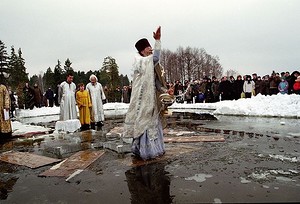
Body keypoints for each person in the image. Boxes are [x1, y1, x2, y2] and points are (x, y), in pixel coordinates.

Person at [123, 26, 171, 160]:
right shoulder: (140, 61)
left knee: (153, 123)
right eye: (148, 48)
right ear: (142, 51)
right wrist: (158, 40)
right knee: (143, 123)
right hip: (141, 100)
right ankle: (142, 150)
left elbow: (156, 82)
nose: (151, 49)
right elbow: (155, 58)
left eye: (151, 47)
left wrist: (166, 92)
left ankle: (155, 148)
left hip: (151, 100)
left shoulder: (150, 65)